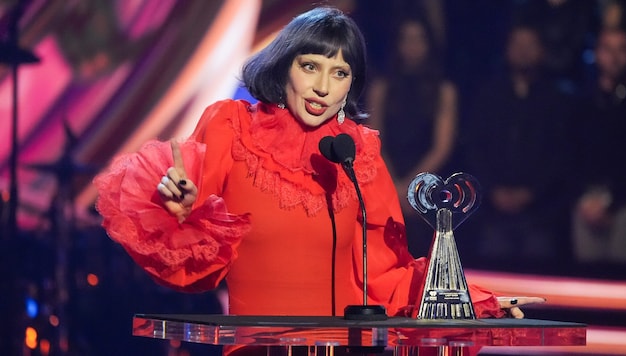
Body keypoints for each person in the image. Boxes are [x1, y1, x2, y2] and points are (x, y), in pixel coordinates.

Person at [94, 7, 540, 355]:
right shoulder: (232, 128)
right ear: (285, 65)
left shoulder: (357, 155)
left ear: (351, 86)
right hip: (257, 354)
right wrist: (182, 211)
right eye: (311, 66)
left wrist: (466, 301)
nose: (323, 87)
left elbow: (382, 277)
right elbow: (195, 265)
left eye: (340, 73)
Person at [465, 25, 572, 265]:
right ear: (507, 50)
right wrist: (492, 190)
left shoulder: (558, 101)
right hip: (493, 209)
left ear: (542, 51)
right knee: (494, 282)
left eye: (530, 45)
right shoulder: (488, 96)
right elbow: (475, 148)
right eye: (517, 44)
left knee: (539, 282)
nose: (523, 51)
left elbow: (562, 154)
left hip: (542, 211)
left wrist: (532, 192)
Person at [367, 17, 457, 257]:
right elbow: (374, 141)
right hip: (386, 176)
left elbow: (442, 147)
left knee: (421, 256)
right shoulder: (381, 87)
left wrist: (412, 187)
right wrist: (393, 186)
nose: (412, 46)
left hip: (427, 184)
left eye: (418, 39)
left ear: (429, 44)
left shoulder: (444, 90)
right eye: (406, 39)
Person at [572, 28, 626, 263]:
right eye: (607, 49)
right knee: (585, 280)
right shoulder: (578, 103)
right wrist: (584, 200)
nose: (614, 57)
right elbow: (568, 155)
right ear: (596, 53)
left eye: (622, 50)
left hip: (625, 202)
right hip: (585, 201)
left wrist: (612, 202)